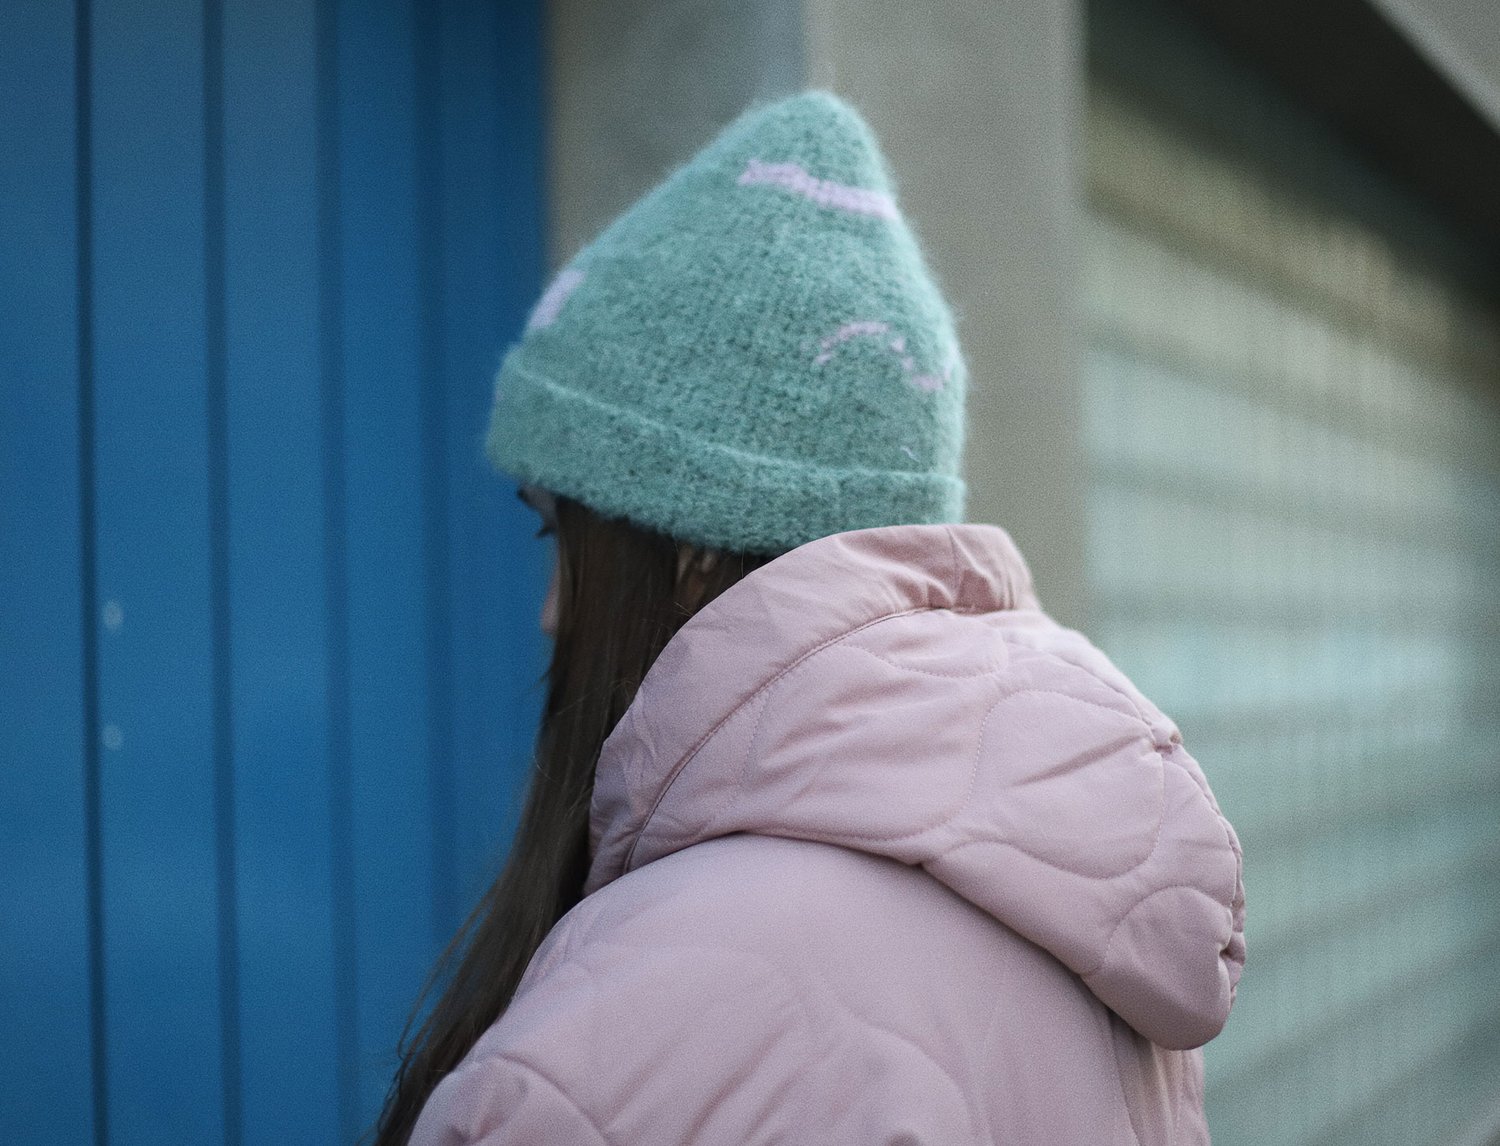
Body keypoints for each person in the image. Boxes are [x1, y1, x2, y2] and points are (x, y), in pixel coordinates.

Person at [372, 91, 1246, 1145]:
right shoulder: (1085, 900)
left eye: (560, 541)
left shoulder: (641, 1028)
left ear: (691, 548)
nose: (556, 614)